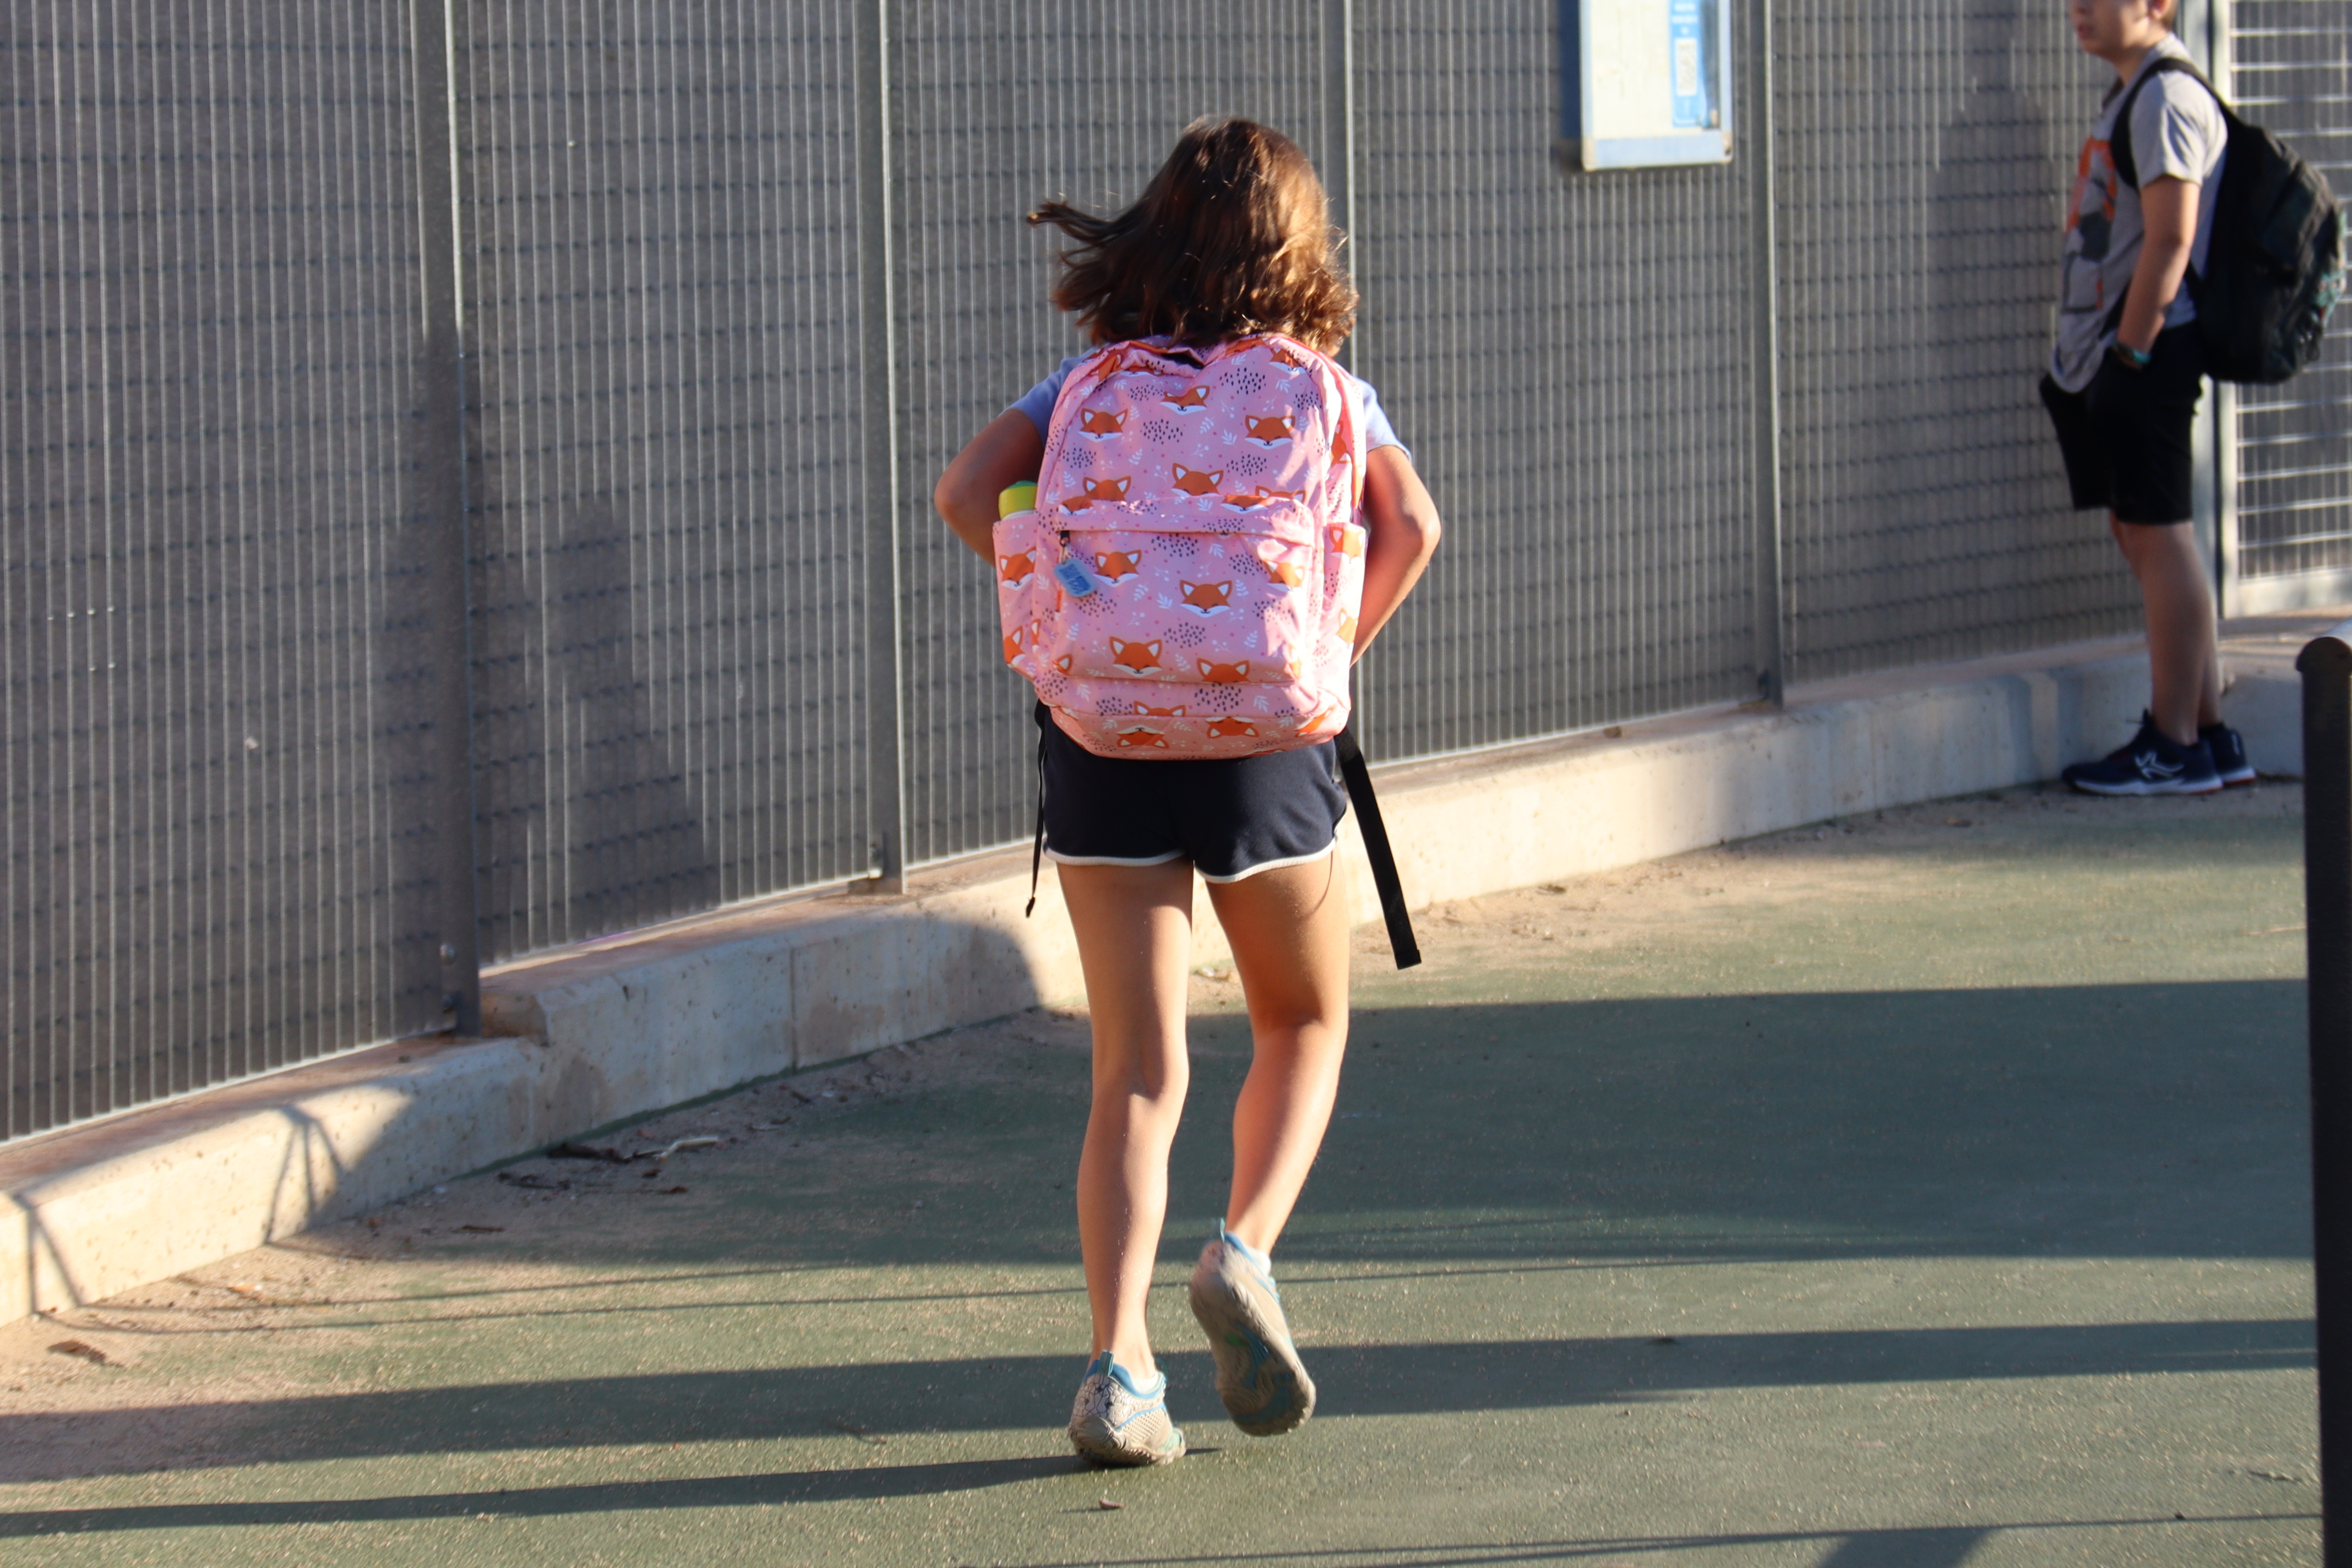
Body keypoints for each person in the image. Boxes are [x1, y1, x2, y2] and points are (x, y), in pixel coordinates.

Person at [933, 117, 1441, 1466]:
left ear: (1151, 234)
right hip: (1267, 740)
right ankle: (1242, 1249)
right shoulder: (1326, 383)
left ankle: (1117, 1369)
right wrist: (1319, 658)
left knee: (1135, 1070)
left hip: (1102, 735)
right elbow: (1413, 526)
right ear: (1299, 247)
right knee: (1304, 1018)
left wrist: (1062, 604)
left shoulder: (1088, 380)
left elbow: (966, 492)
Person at [2042, 0, 2255, 796]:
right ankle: (2207, 735)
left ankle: (2172, 743)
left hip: (2147, 352)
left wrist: (2129, 355)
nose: (2080, 10)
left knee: (2158, 535)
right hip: (2125, 351)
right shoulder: (2137, 91)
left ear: (2159, 5)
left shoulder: (2166, 96)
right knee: (2149, 532)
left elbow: (2169, 237)